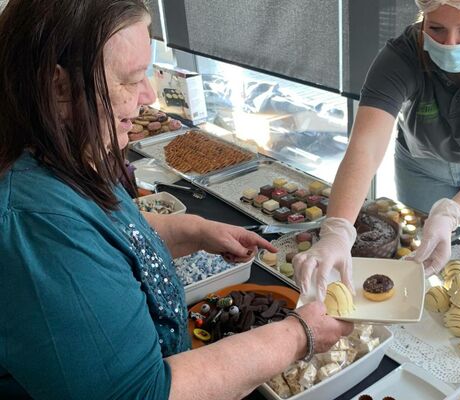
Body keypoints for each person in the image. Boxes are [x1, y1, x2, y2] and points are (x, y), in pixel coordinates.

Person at [0, 1, 353, 399]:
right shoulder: (36, 225)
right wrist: (297, 335)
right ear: (58, 86)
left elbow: (107, 235)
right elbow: (145, 392)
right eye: (131, 81)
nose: (149, 94)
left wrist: (193, 231)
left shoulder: (65, 154)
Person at [294, 0, 460, 299]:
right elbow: (366, 146)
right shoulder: (400, 56)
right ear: (423, 16)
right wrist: (337, 229)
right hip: (421, 165)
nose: (450, 43)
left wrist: (451, 212)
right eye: (436, 28)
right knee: (421, 263)